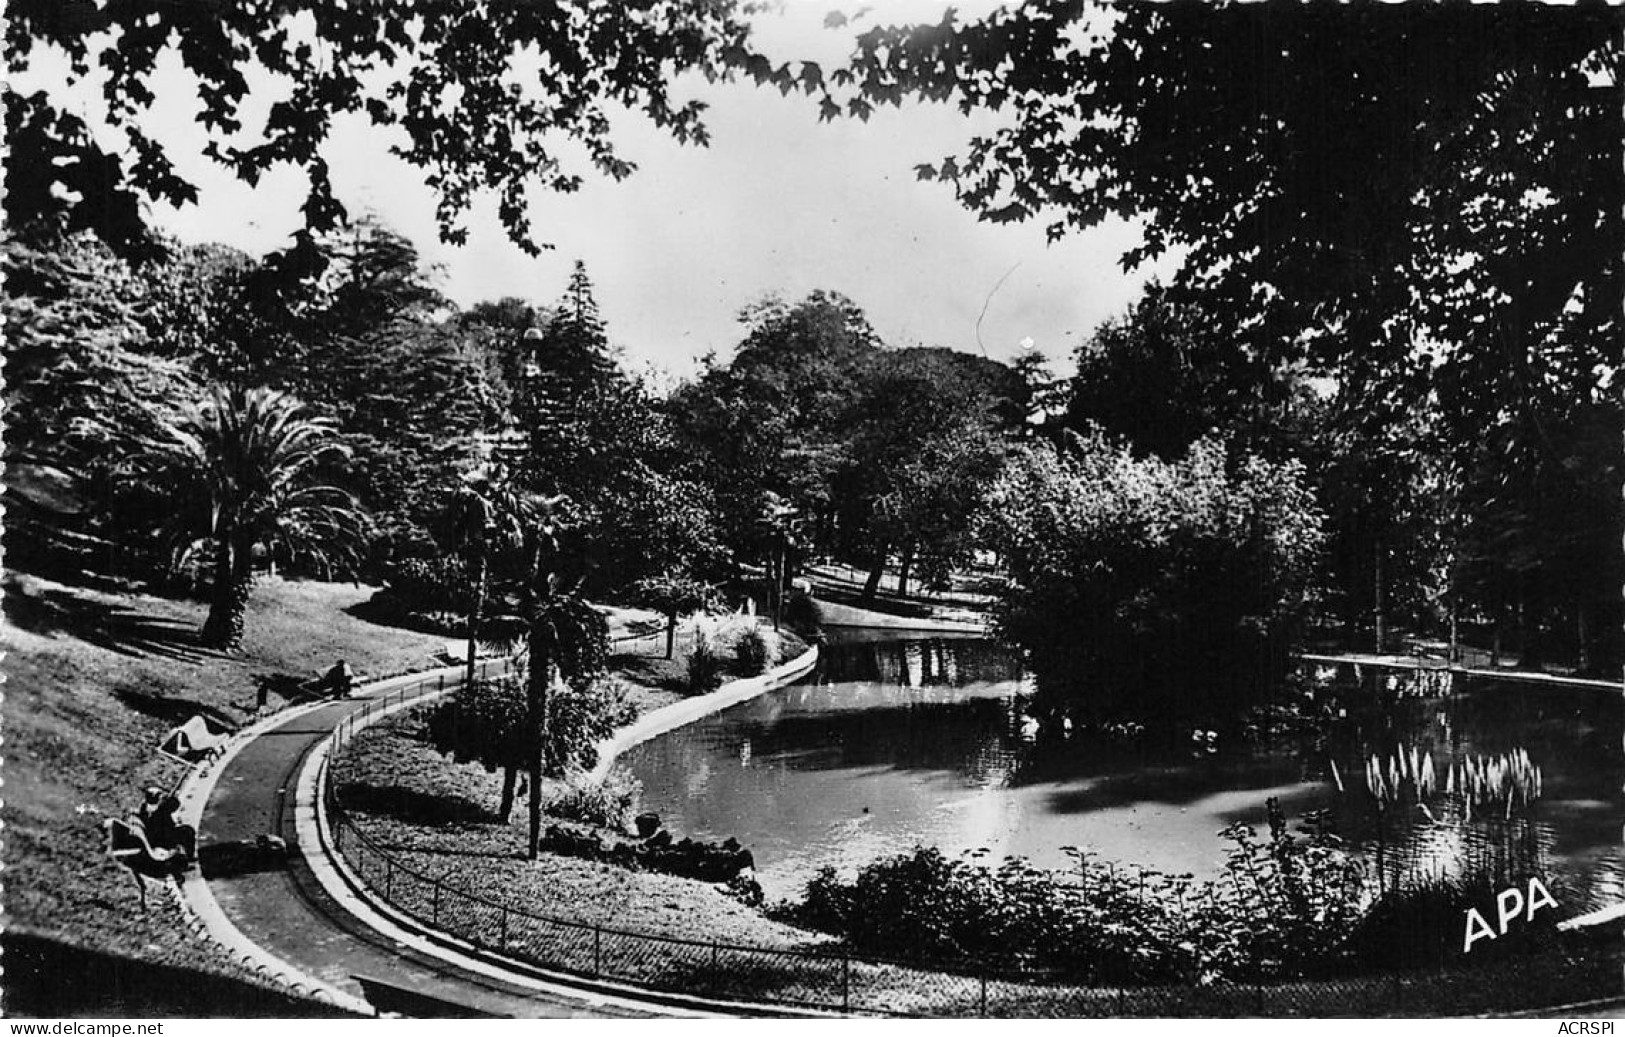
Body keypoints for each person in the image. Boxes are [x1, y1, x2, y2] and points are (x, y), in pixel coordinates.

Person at [136, 785, 196, 861]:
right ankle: (190, 857)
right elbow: (175, 804)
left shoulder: (144, 808)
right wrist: (168, 796)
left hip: (154, 837)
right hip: (164, 838)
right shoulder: (160, 808)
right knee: (188, 831)